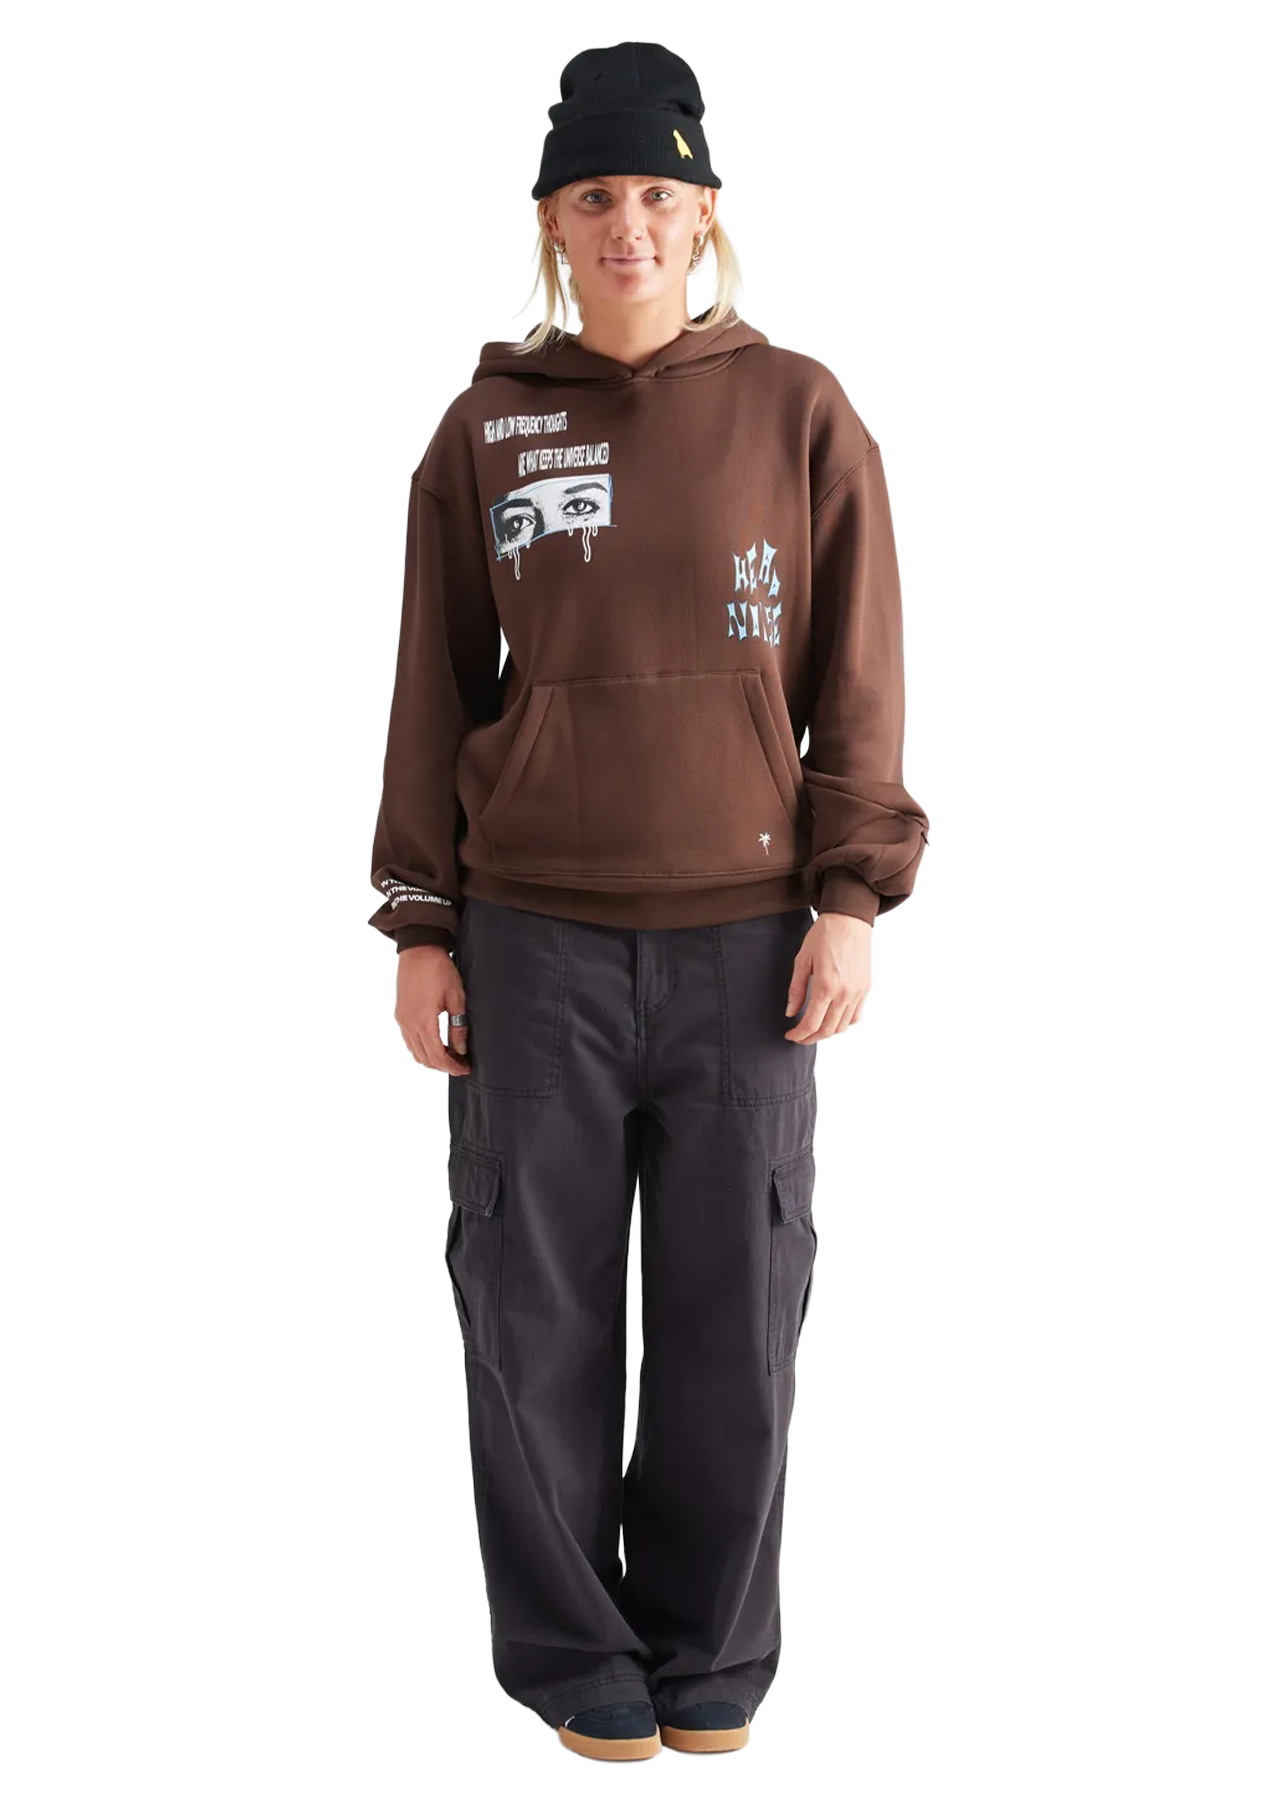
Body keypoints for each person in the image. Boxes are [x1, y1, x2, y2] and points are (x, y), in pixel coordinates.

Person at [368, 41, 930, 1764]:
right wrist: (424, 923)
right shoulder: (485, 430)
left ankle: (709, 1651)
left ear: (704, 214)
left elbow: (859, 677)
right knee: (529, 1309)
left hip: (750, 948)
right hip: (532, 940)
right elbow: (434, 687)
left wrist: (851, 894)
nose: (630, 223)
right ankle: (576, 1656)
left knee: (733, 1318)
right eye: (596, 195)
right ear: (553, 221)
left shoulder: (802, 410)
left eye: (659, 194)